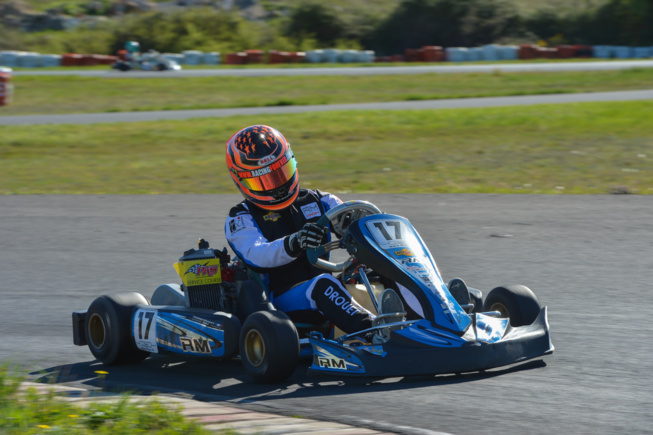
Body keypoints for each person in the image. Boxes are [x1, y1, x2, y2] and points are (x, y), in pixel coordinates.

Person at [223, 125, 376, 334]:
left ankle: (426, 321)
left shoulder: (321, 200)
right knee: (322, 284)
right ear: (241, 180)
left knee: (381, 272)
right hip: (280, 301)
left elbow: (361, 222)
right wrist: (294, 243)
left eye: (280, 174)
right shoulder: (241, 218)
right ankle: (374, 332)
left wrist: (357, 229)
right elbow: (257, 254)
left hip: (327, 287)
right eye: (263, 181)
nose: (277, 187)